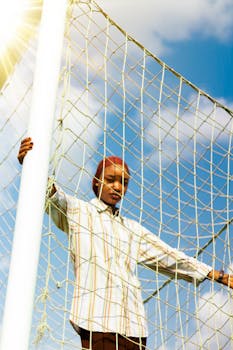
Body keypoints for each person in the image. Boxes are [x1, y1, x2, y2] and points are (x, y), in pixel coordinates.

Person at [18, 137, 233, 350]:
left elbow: (168, 255)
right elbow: (52, 195)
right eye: (111, 179)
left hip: (134, 327)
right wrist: (30, 163)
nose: (118, 187)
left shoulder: (131, 229)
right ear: (96, 181)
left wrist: (216, 275)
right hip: (97, 320)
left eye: (124, 182)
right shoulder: (78, 211)